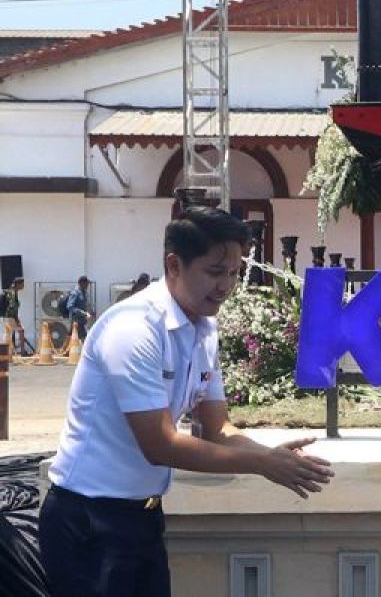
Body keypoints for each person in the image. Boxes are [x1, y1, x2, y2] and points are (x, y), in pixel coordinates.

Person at [38, 206, 335, 597]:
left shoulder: (203, 328)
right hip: (89, 521)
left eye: (232, 273)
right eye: (214, 272)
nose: (225, 286)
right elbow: (160, 444)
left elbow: (218, 429)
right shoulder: (133, 329)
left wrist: (271, 455)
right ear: (174, 265)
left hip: (142, 517)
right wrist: (262, 464)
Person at [2, 276, 29, 357]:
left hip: (8, 316)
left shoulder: (12, 291)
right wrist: (16, 319)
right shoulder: (13, 293)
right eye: (22, 284)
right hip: (10, 317)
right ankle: (21, 352)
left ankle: (6, 352)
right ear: (18, 284)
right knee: (16, 332)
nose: (23, 286)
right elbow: (12, 307)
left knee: (9, 333)